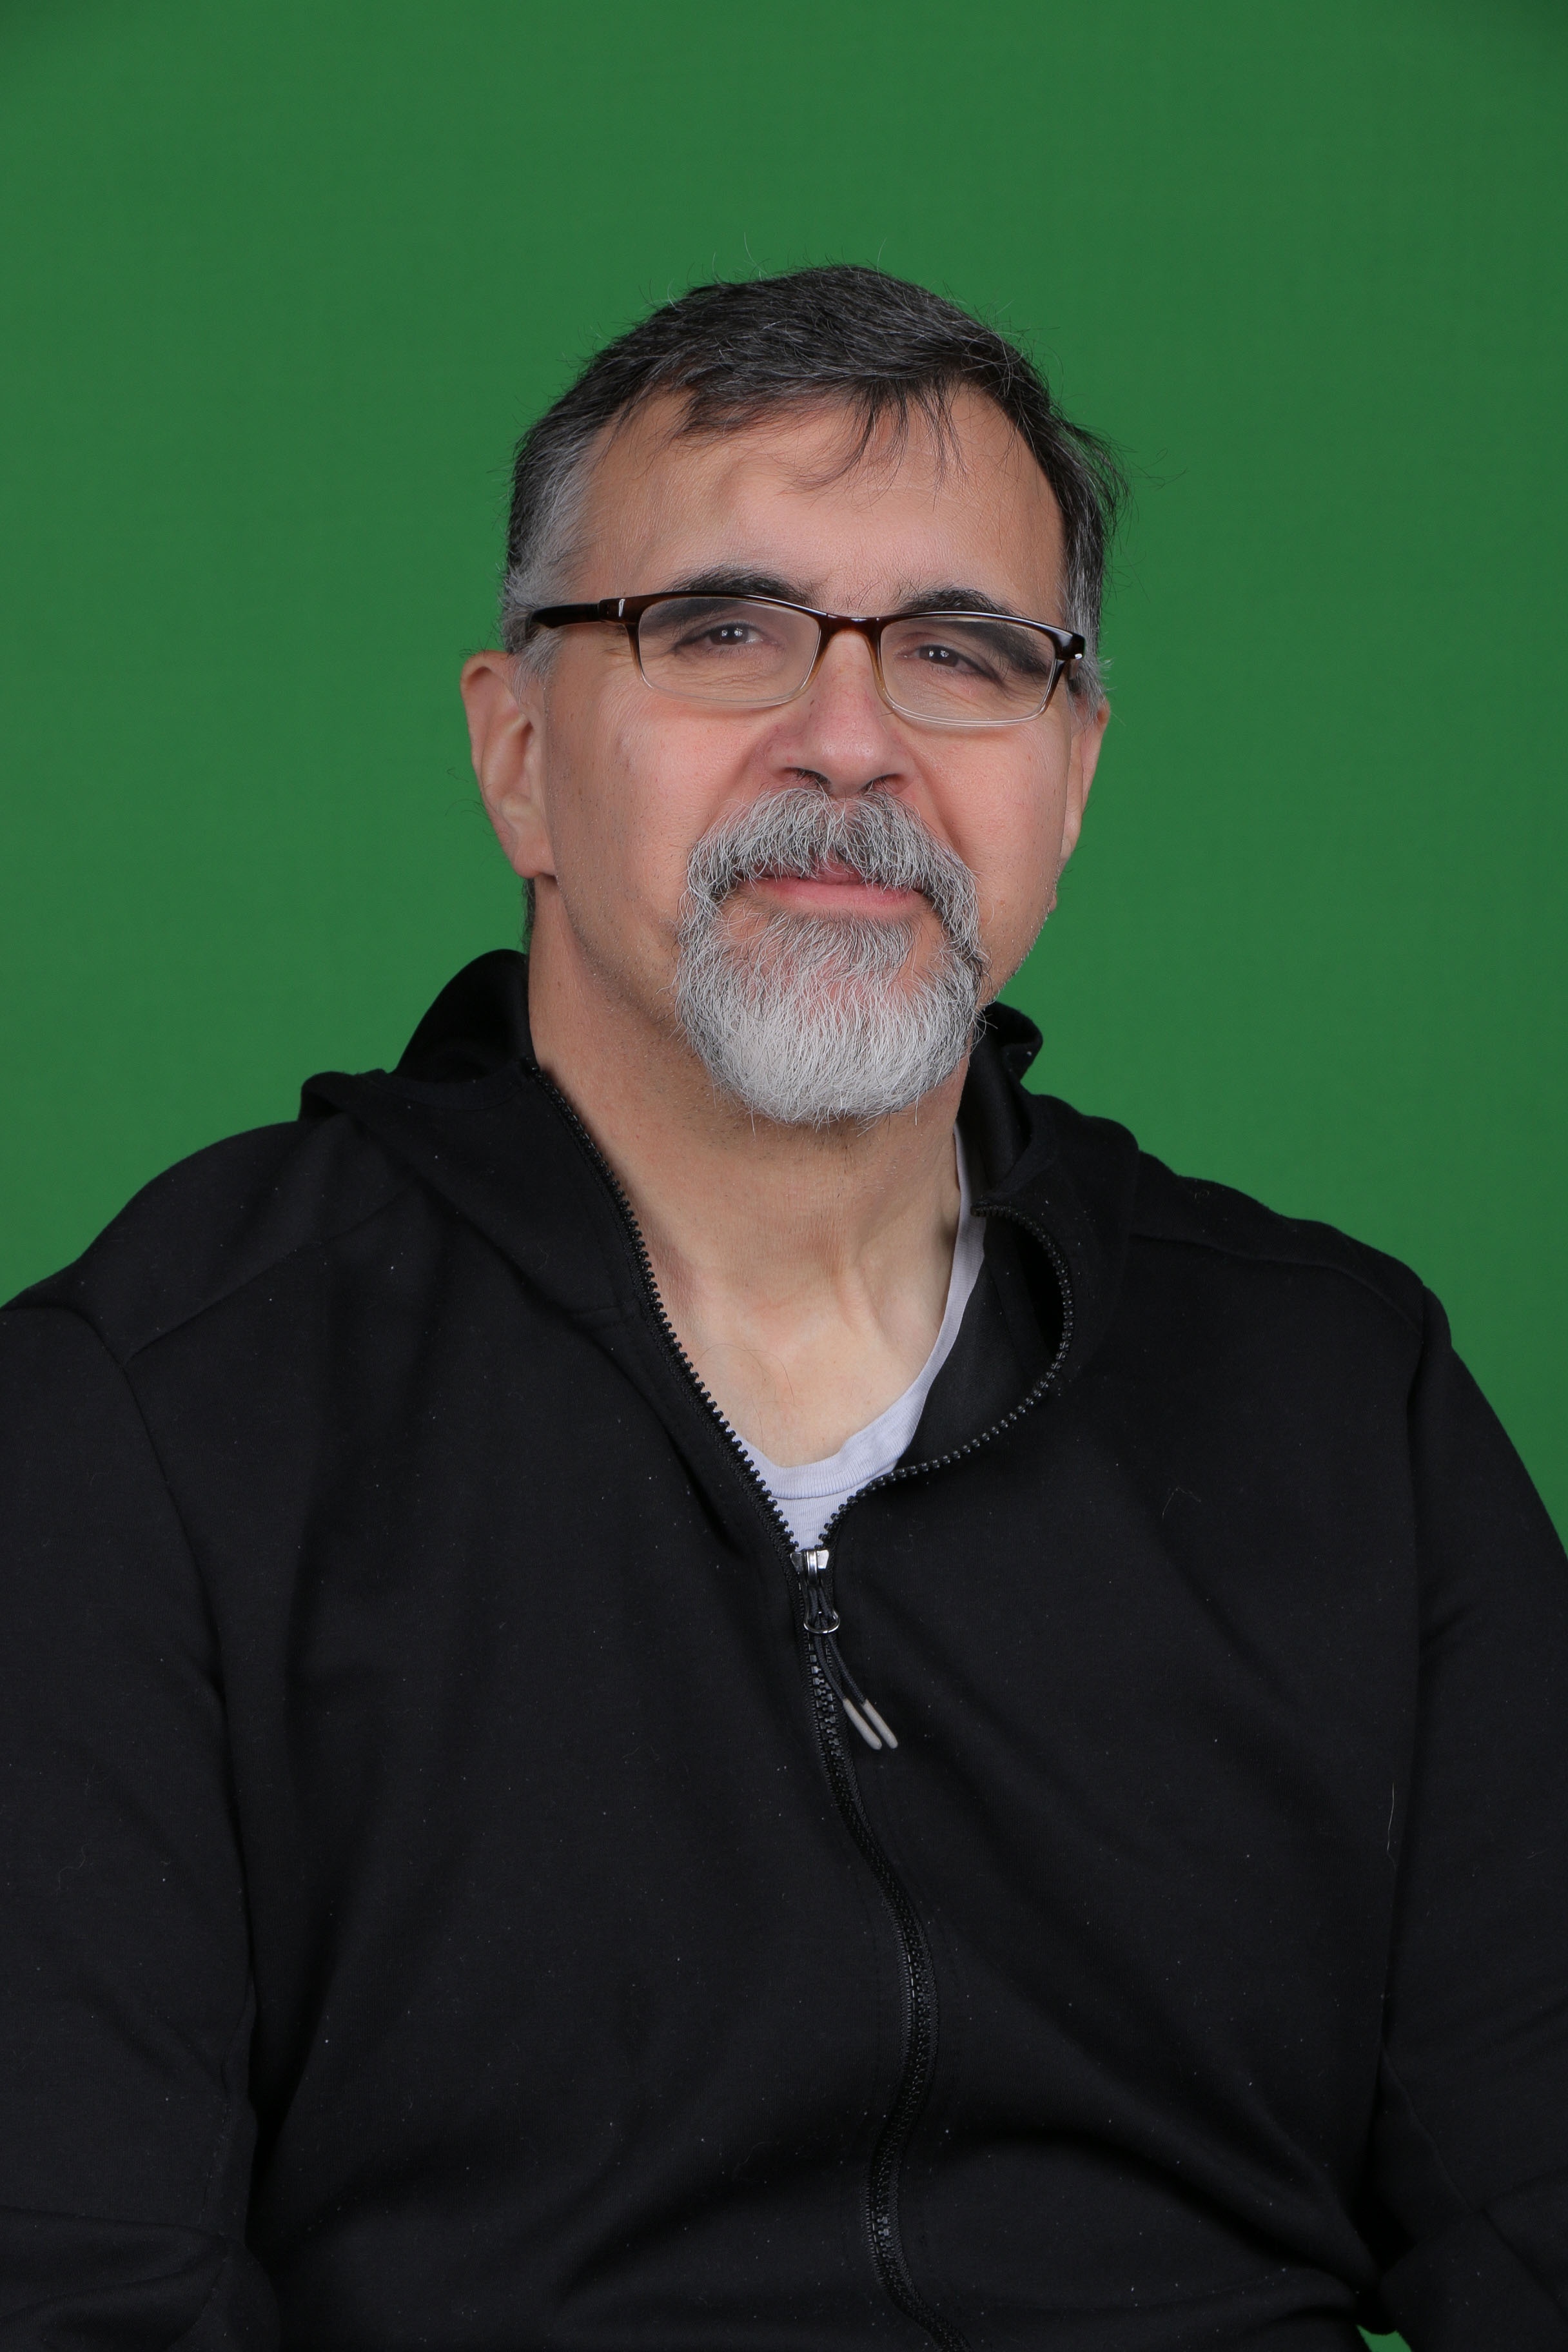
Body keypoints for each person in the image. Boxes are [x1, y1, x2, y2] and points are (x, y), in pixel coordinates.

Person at [1, 266, 1565, 2352]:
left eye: (964, 653)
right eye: (722, 630)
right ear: (517, 756)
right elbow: (74, 2289)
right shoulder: (147, 1422)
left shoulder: (1343, 1404)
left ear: (1072, 775)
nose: (852, 738)